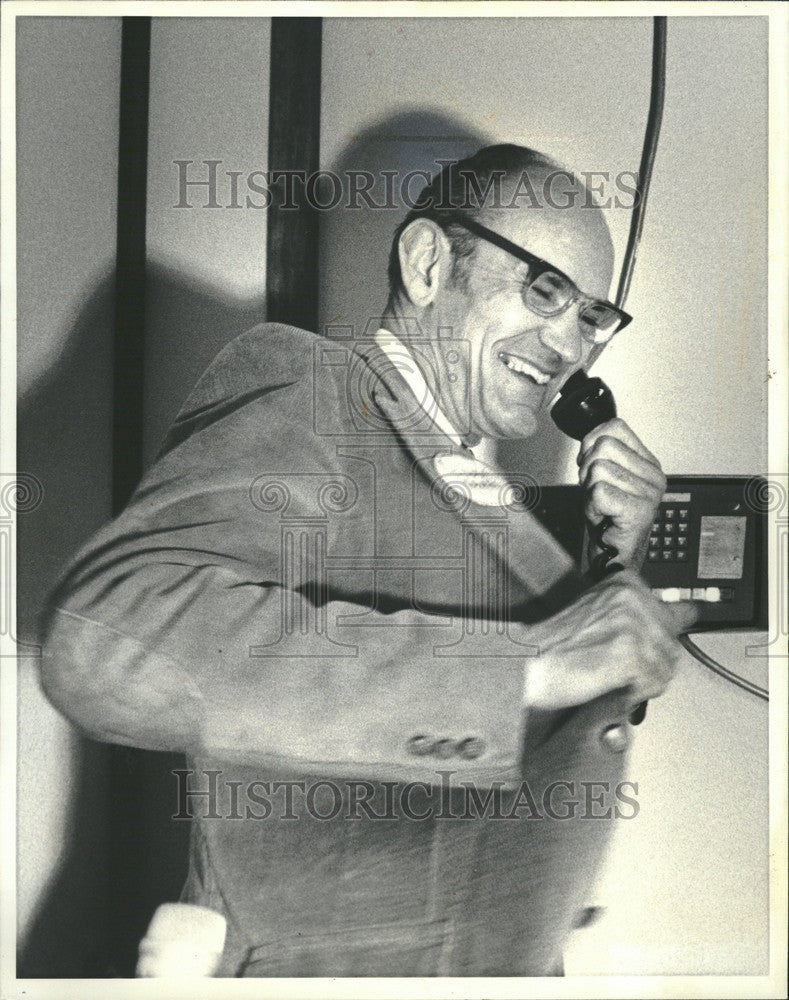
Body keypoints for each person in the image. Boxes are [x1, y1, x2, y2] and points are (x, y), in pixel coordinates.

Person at [40, 144, 696, 976]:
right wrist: (523, 667)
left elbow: (543, 735)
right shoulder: (318, 393)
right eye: (544, 290)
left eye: (592, 316)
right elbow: (107, 640)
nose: (569, 343)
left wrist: (614, 562)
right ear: (427, 264)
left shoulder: (472, 486)